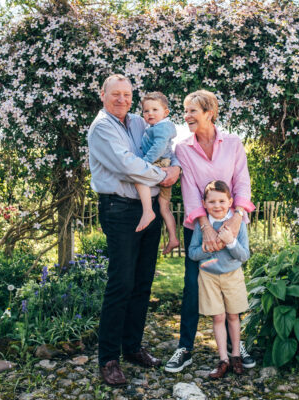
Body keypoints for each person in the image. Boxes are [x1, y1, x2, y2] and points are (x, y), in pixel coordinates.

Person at [87, 74, 181, 386]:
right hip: (120, 210)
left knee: (142, 283)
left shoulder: (139, 121)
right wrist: (162, 173)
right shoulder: (102, 128)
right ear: (103, 95)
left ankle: (132, 348)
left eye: (127, 95)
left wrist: (176, 167)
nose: (122, 100)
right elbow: (128, 165)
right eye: (116, 94)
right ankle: (109, 359)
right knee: (121, 284)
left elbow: (167, 143)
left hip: (148, 211)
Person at [165, 89, 256, 373]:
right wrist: (205, 227)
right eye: (185, 111)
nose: (187, 116)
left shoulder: (232, 142)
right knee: (192, 286)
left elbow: (242, 181)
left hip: (232, 225)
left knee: (232, 284)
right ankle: (185, 348)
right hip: (199, 228)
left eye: (192, 110)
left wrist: (237, 218)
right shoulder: (183, 148)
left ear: (209, 113)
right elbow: (189, 191)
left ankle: (235, 347)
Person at [189, 180, 250, 379]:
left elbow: (244, 255)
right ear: (204, 204)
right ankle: (223, 358)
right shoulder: (203, 225)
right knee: (218, 317)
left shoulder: (236, 223)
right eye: (212, 202)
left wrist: (230, 242)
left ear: (230, 201)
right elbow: (192, 253)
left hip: (233, 276)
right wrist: (206, 249)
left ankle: (236, 356)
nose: (217, 206)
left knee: (233, 316)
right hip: (209, 277)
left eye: (222, 201)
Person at [134, 92, 180, 255]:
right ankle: (173, 238)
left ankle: (147, 211)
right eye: (146, 111)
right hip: (164, 163)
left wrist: (144, 162)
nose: (150, 113)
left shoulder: (161, 127)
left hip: (158, 163)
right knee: (164, 207)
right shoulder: (156, 126)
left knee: (138, 178)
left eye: (155, 109)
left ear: (165, 113)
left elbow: (159, 147)